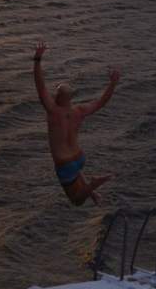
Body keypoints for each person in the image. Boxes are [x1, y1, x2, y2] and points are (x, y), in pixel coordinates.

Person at [33, 42, 118, 205]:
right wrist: (113, 83)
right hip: (78, 157)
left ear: (57, 97)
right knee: (76, 173)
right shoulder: (79, 111)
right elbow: (101, 102)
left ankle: (93, 184)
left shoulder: (53, 111)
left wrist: (37, 59)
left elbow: (40, 86)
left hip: (64, 162)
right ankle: (92, 193)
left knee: (76, 200)